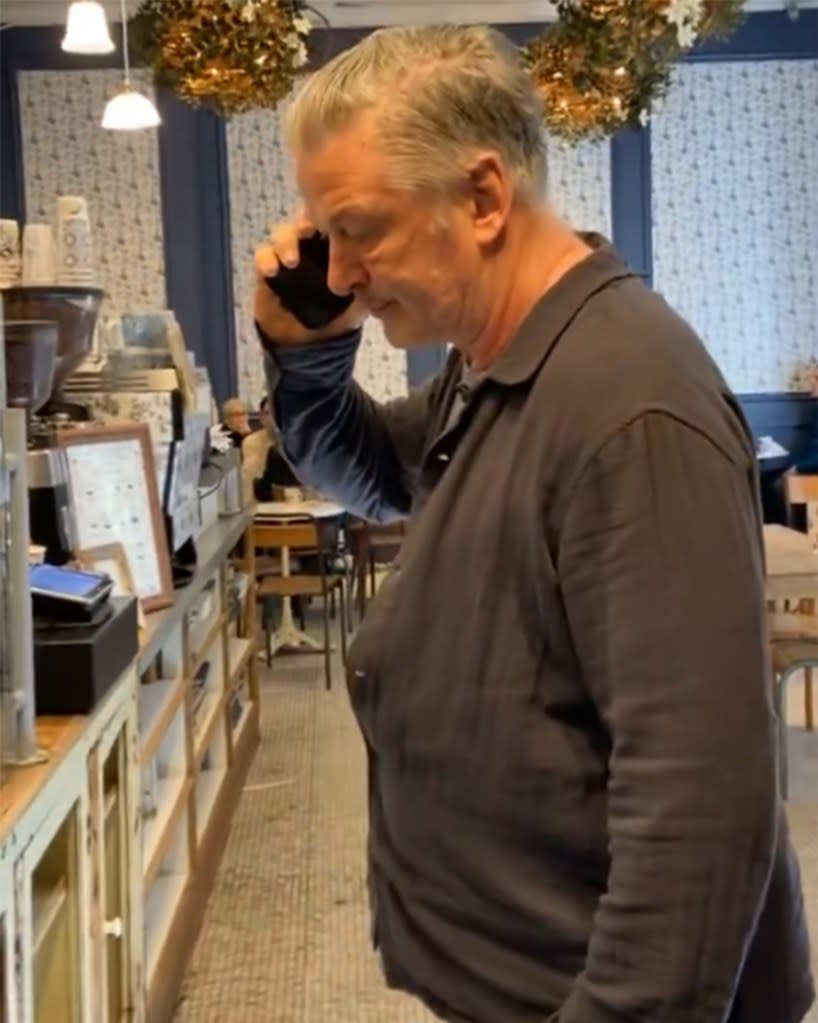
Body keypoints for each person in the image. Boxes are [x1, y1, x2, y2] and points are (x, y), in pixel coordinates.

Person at [252, 25, 814, 1023]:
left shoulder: (626, 403)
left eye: (358, 230)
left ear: (480, 199)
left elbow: (697, 816)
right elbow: (373, 473)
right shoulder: (501, 359)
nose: (336, 273)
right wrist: (307, 356)